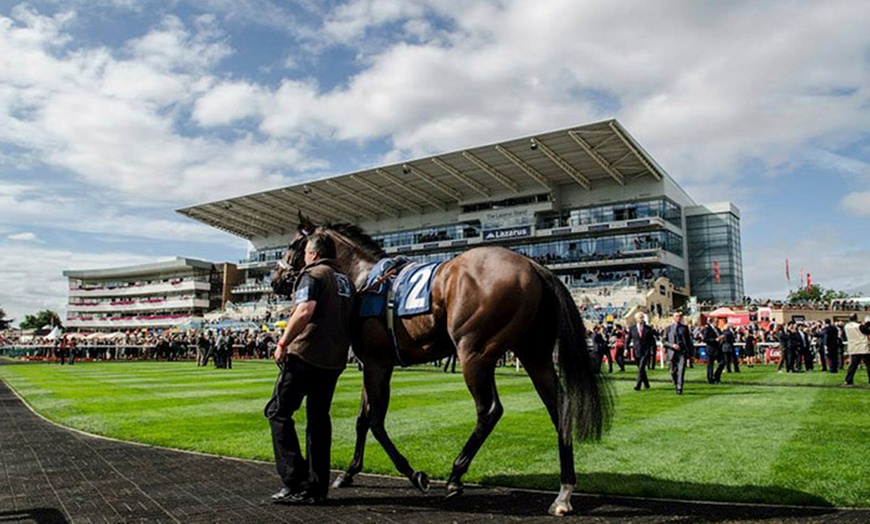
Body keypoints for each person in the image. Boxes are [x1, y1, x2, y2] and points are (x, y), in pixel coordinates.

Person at [265, 233, 355, 505]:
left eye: (306, 253)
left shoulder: (313, 274)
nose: (304, 257)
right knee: (318, 420)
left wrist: (282, 342)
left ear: (313, 254)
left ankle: (295, 481)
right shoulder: (347, 282)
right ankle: (317, 487)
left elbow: (304, 311)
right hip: (333, 360)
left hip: (305, 355)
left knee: (277, 412)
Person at [663, 311, 693, 394]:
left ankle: (680, 387)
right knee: (673, 371)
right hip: (672, 352)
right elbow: (663, 341)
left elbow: (688, 341)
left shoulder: (684, 328)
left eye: (679, 316)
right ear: (673, 317)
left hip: (682, 352)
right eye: (676, 316)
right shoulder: (668, 328)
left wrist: (690, 353)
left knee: (681, 370)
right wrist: (672, 345)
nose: (678, 318)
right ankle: (676, 382)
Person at [627, 311, 656, 391]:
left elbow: (652, 340)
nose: (642, 319)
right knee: (641, 369)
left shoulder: (648, 328)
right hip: (637, 351)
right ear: (636, 319)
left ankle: (638, 385)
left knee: (641, 368)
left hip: (645, 351)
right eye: (640, 317)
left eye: (643, 317)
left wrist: (652, 349)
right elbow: (628, 339)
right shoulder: (632, 328)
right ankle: (646, 384)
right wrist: (626, 349)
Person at [843, 313, 870, 386]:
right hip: (862, 346)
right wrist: (867, 324)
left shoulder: (846, 326)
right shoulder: (859, 326)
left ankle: (848, 380)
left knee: (853, 365)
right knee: (868, 364)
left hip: (853, 346)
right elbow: (867, 331)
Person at [703, 318, 725, 384]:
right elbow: (705, 339)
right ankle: (710, 379)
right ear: (712, 322)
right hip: (711, 349)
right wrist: (715, 340)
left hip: (718, 349)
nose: (717, 323)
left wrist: (722, 338)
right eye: (716, 322)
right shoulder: (707, 329)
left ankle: (716, 376)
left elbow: (720, 336)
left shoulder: (718, 329)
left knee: (723, 362)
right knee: (710, 365)